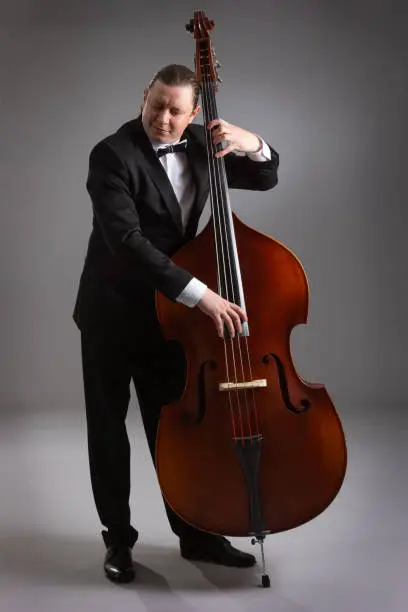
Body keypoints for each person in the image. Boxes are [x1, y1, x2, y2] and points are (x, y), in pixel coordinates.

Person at [73, 63, 280, 584]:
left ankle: (196, 534)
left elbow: (264, 175)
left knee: (173, 431)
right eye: (156, 105)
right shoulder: (111, 154)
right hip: (114, 313)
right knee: (108, 430)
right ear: (144, 95)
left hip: (170, 321)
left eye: (175, 110)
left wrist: (252, 140)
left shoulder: (200, 145)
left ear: (193, 113)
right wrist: (201, 295)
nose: (163, 118)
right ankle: (117, 539)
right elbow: (126, 241)